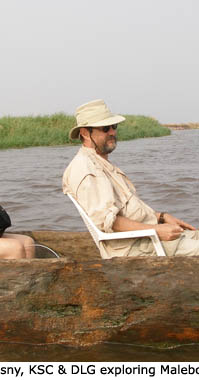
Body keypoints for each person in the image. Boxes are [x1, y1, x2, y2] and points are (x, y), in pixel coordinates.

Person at [62, 99, 199, 259]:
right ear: (85, 133)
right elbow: (108, 222)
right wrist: (157, 230)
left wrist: (161, 217)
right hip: (136, 247)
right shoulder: (86, 170)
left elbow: (128, 210)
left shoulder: (99, 162)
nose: (112, 132)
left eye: (114, 126)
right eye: (105, 128)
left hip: (147, 238)